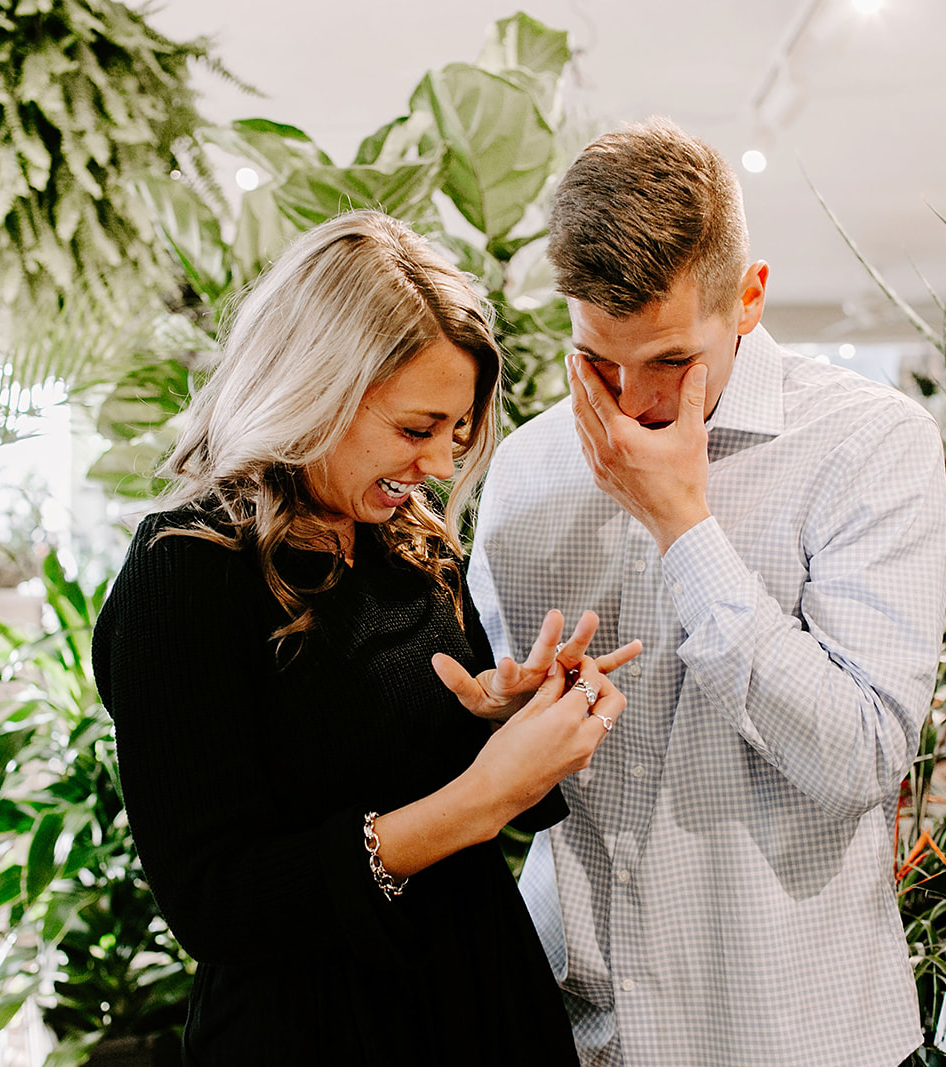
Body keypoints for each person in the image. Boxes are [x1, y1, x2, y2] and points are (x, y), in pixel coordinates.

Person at [91, 210, 636, 1067]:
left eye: (455, 432)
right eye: (417, 429)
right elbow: (215, 901)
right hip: (313, 1034)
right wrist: (480, 801)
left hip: (482, 1002)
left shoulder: (408, 539)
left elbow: (408, 759)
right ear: (315, 389)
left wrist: (503, 717)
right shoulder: (185, 572)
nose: (442, 465)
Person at [467, 119, 946, 1066]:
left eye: (670, 362)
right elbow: (514, 765)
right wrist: (501, 718)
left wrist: (685, 530)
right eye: (596, 360)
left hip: (789, 1031)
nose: (629, 400)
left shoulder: (873, 447)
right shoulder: (525, 470)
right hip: (576, 1025)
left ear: (750, 300)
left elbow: (860, 757)